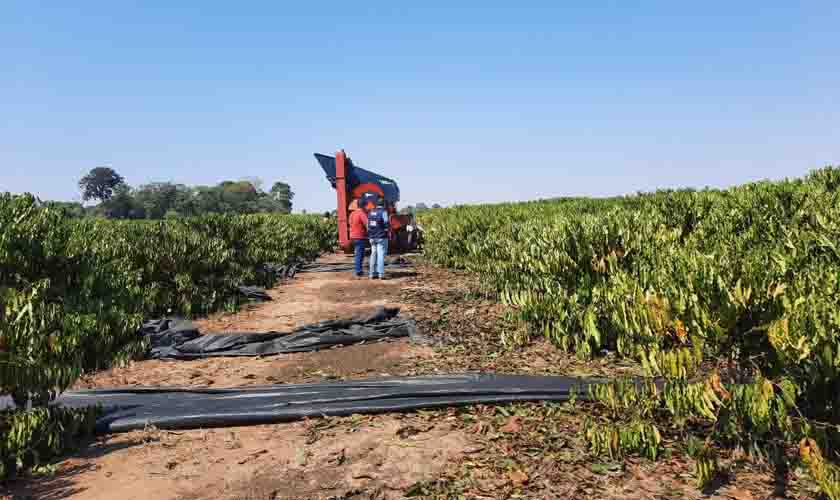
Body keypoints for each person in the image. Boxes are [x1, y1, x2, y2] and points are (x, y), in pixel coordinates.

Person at [367, 198, 390, 280]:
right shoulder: (383, 212)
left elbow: (368, 225)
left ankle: (371, 274)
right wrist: (387, 231)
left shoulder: (371, 212)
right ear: (383, 204)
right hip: (381, 237)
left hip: (372, 237)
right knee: (380, 254)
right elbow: (386, 223)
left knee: (373, 254)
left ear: (376, 204)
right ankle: (381, 274)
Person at [349, 205, 369, 277]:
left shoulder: (352, 214)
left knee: (357, 253)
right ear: (363, 206)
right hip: (360, 236)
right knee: (360, 254)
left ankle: (358, 269)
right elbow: (367, 224)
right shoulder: (361, 213)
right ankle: (358, 271)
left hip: (352, 236)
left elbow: (350, 223)